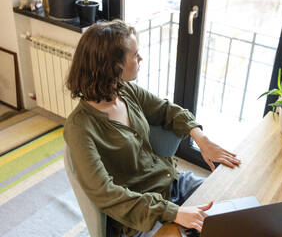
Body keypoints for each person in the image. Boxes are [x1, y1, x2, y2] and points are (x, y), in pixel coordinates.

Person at [64, 20, 241, 237]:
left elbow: (169, 111)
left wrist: (202, 140)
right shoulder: (80, 127)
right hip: (140, 217)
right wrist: (172, 212)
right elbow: (105, 193)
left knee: (231, 210)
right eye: (135, 55)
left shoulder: (126, 91)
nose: (141, 59)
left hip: (172, 183)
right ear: (113, 66)